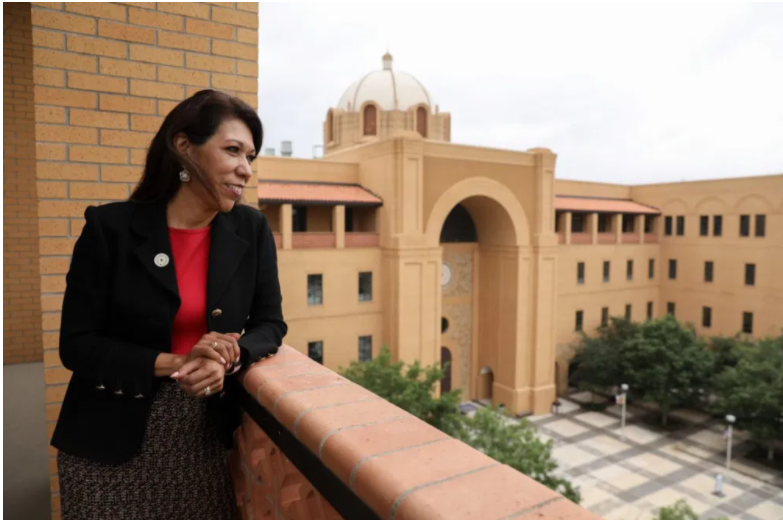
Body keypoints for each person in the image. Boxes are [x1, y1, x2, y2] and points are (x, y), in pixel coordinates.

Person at [51, 89, 287, 520]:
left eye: (251, 156)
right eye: (232, 150)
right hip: (106, 441)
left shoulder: (250, 229)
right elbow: (77, 345)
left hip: (201, 438)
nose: (245, 169)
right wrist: (176, 360)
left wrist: (228, 360)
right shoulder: (110, 228)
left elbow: (271, 324)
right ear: (183, 147)